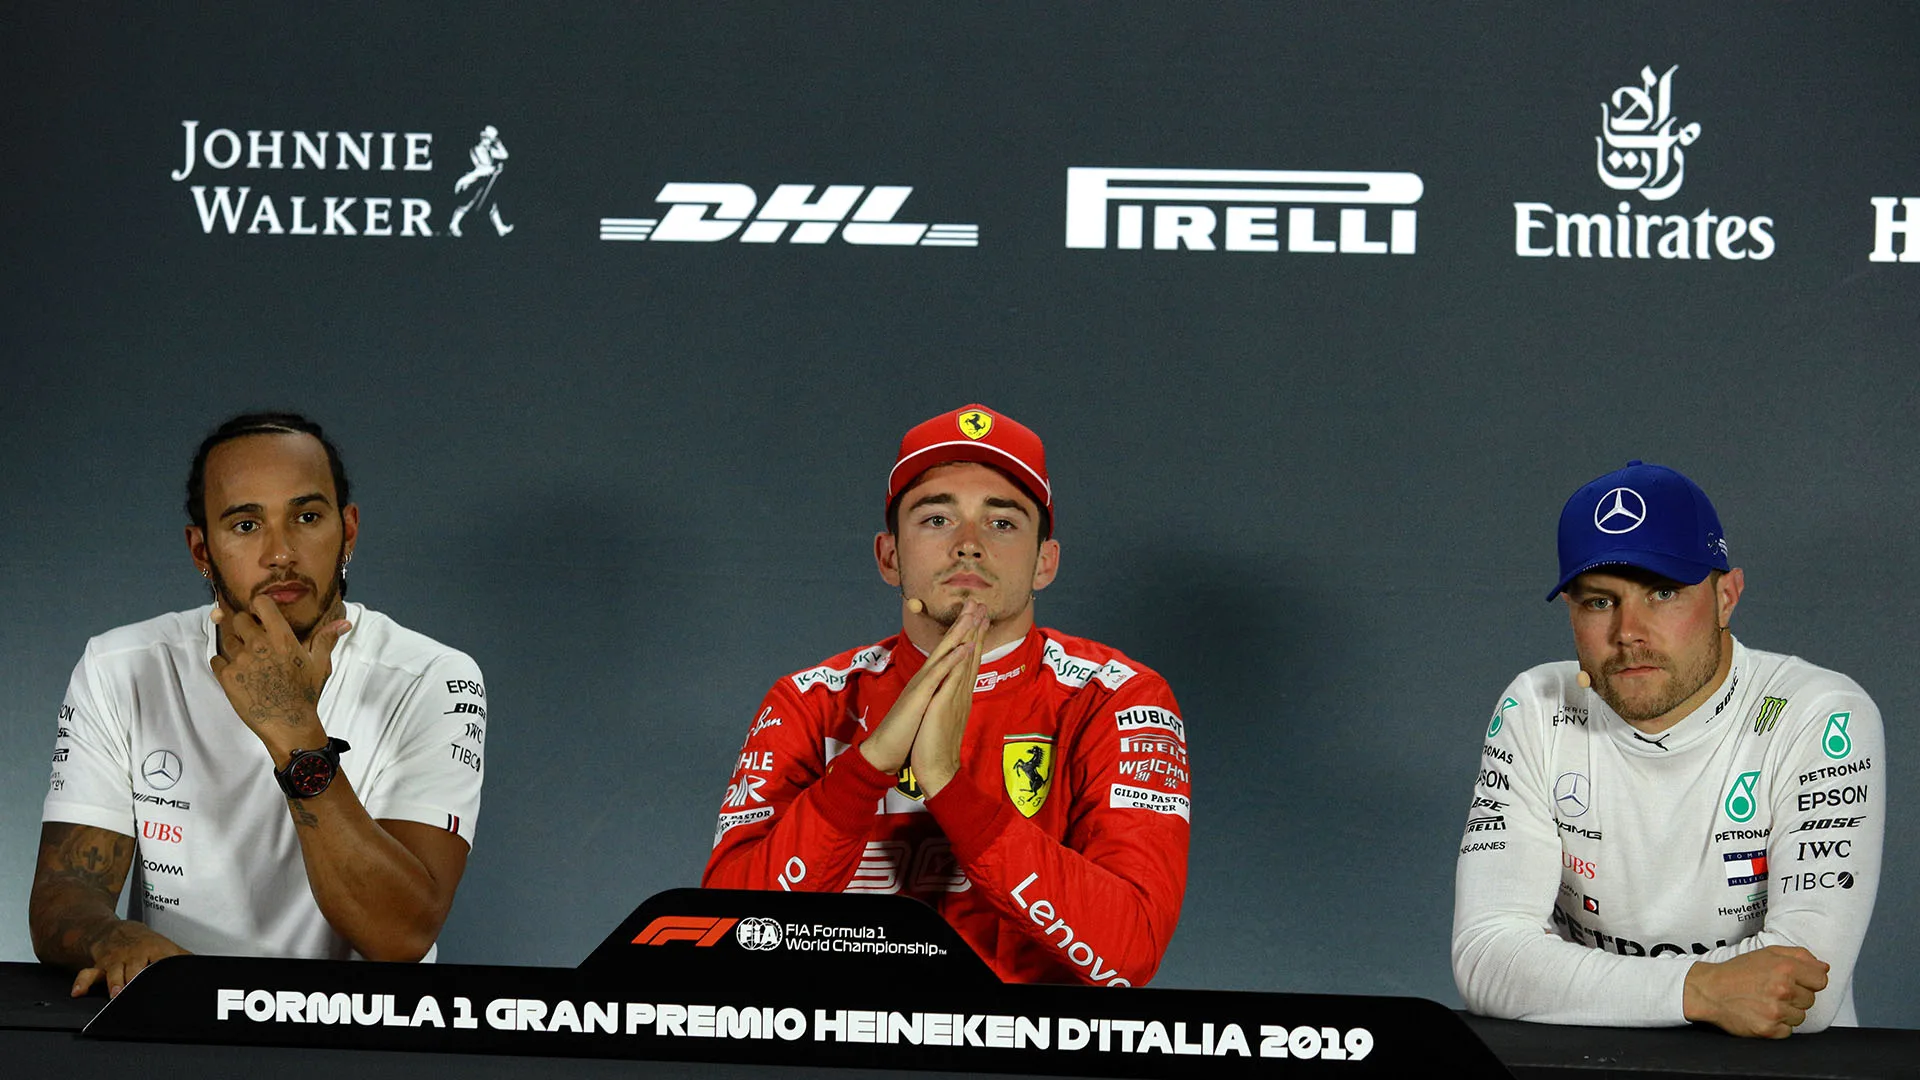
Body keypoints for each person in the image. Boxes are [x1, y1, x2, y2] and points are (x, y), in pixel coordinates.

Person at [703, 404, 1190, 986]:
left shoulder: (1117, 699)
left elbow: (1128, 952)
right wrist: (867, 770)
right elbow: (725, 939)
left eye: (1002, 522)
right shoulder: (810, 702)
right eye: (936, 519)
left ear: (1045, 562)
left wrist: (948, 785)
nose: (968, 544)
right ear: (889, 557)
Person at [30, 413, 488, 997]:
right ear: (202, 549)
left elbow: (400, 937)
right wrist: (109, 937)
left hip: (361, 1039)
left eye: (307, 517)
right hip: (181, 1022)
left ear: (347, 532)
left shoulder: (433, 678)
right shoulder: (121, 666)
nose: (281, 553)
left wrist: (294, 731)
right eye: (246, 524)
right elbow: (63, 895)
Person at [1453, 461, 1883, 1037]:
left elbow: (1801, 996)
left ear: (1726, 597)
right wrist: (1701, 989)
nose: (1629, 631)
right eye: (1599, 602)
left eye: (1663, 592)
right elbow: (1487, 962)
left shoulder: (1818, 713)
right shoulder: (1535, 706)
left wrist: (1565, 979)